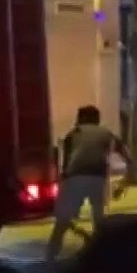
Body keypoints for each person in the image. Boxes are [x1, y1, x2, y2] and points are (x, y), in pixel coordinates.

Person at [45, 105, 130, 263]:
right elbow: (127, 156)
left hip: (75, 177)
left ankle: (50, 255)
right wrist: (124, 182)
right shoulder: (107, 134)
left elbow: (64, 161)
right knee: (98, 218)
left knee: (62, 220)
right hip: (98, 178)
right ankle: (102, 254)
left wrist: (62, 181)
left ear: (81, 118)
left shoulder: (73, 134)